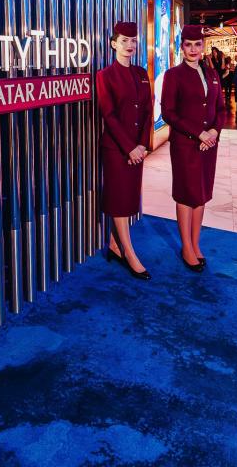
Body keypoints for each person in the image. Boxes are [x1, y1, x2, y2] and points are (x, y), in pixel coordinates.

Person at [160, 25, 225, 272]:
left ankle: (196, 244)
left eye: (198, 44)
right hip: (186, 144)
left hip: (209, 144)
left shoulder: (212, 73)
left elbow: (220, 108)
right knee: (186, 194)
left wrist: (214, 132)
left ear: (203, 46)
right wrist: (198, 133)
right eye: (188, 44)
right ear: (182, 47)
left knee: (202, 192)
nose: (193, 49)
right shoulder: (173, 75)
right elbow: (169, 113)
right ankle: (186, 246)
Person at [97, 21, 153, 280]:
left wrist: (142, 144)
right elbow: (108, 115)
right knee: (120, 200)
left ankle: (114, 243)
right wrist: (130, 147)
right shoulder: (105, 75)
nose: (130, 45)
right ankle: (129, 254)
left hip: (137, 148)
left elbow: (147, 111)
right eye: (124, 41)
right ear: (113, 44)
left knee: (129, 197)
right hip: (117, 149)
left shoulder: (142, 72)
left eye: (133, 41)